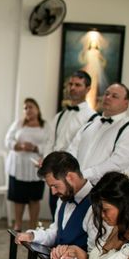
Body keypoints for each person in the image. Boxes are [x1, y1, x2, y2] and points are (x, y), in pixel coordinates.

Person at [68, 83, 129, 185]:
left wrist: (83, 175)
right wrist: (70, 171)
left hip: (111, 194)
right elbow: (73, 149)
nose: (108, 97)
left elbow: (117, 163)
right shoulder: (90, 125)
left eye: (114, 96)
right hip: (80, 187)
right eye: (106, 94)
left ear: (126, 103)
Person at [46, 71, 95, 215]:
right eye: (71, 84)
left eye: (78, 85)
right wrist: (47, 161)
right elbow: (51, 141)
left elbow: (84, 148)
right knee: (54, 210)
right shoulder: (60, 115)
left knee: (70, 214)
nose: (73, 88)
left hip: (71, 175)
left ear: (87, 89)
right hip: (54, 173)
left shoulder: (92, 117)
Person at [4, 98, 50, 231]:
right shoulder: (19, 123)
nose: (28, 110)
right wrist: (18, 145)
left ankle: (32, 225)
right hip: (18, 166)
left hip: (36, 166)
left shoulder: (45, 125)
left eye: (31, 107)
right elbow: (8, 140)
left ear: (37, 108)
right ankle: (17, 223)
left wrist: (36, 148)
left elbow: (50, 143)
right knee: (18, 198)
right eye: (25, 108)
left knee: (34, 198)